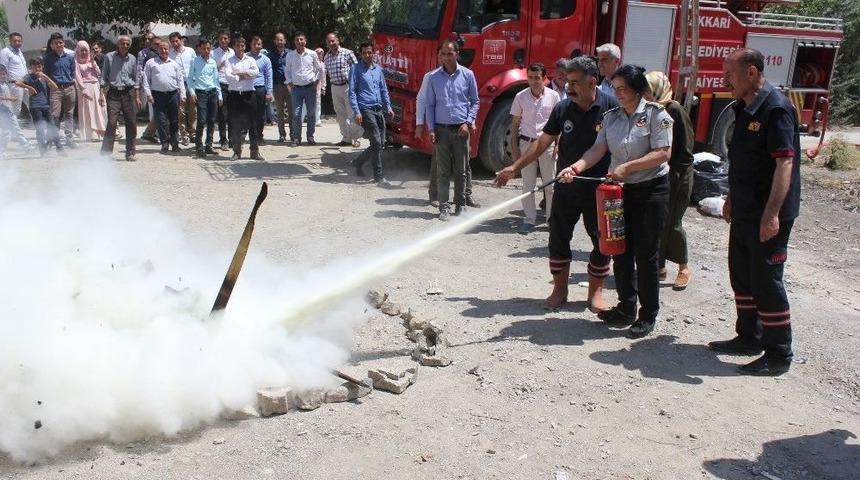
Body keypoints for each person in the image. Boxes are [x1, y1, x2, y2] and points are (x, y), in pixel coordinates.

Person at [557, 64, 673, 338]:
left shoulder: (658, 115)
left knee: (646, 254)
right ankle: (626, 307)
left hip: (651, 190)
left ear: (638, 90)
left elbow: (663, 153)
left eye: (623, 89)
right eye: (615, 89)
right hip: (622, 191)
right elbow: (598, 149)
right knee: (620, 249)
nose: (617, 94)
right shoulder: (611, 117)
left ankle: (647, 314)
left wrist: (628, 167)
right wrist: (575, 168)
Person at [496, 57, 617, 311]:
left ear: (592, 81)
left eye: (575, 82)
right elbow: (542, 142)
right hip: (566, 185)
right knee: (558, 238)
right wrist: (514, 166)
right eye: (567, 81)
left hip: (600, 189)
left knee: (601, 241)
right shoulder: (562, 109)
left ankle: (595, 294)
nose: (569, 87)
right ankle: (559, 290)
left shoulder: (612, 109)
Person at [707, 48, 801, 376]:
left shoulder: (776, 108)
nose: (724, 79)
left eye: (729, 73)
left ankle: (778, 353)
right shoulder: (744, 108)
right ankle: (749, 337)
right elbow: (744, 163)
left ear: (750, 73)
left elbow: (784, 163)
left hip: (767, 213)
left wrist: (772, 214)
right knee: (742, 274)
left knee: (766, 280)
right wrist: (732, 197)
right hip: (745, 208)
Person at [644, 71, 694, 291]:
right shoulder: (651, 110)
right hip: (659, 174)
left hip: (677, 176)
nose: (644, 93)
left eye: (647, 89)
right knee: (658, 222)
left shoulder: (673, 109)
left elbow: (685, 150)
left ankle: (683, 267)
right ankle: (660, 266)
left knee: (672, 223)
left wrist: (672, 173)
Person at [416, 50, 480, 209]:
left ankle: (465, 195)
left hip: (461, 127)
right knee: (439, 164)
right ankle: (435, 195)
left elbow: (471, 101)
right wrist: (421, 125)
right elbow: (423, 101)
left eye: (449, 54)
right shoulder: (431, 77)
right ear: (438, 57)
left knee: (464, 165)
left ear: (456, 55)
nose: (445, 58)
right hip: (441, 127)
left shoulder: (466, 75)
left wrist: (470, 121)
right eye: (442, 55)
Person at [509, 62, 561, 231]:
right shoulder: (520, 97)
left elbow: (558, 124)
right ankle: (529, 219)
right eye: (530, 77)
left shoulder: (554, 97)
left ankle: (551, 219)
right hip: (527, 144)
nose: (533, 81)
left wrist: (559, 145)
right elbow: (515, 124)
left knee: (550, 185)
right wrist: (515, 149)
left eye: (537, 78)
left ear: (544, 78)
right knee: (527, 184)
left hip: (548, 144)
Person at [349, 41, 394, 187]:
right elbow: (352, 92)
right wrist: (356, 111)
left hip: (378, 108)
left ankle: (358, 162)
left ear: (373, 53)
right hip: (365, 109)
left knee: (380, 143)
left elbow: (383, 90)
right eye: (364, 53)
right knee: (376, 141)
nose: (367, 55)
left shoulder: (378, 70)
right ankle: (379, 176)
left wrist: (388, 107)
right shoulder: (355, 69)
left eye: (370, 52)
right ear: (360, 54)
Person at [100, 34, 141, 161]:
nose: (125, 46)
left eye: (127, 44)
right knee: (112, 123)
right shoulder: (109, 57)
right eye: (122, 43)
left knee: (131, 122)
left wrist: (137, 97)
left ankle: (130, 152)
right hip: (113, 94)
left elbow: (136, 79)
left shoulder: (133, 59)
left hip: (128, 93)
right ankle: (106, 153)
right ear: (118, 44)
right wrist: (101, 94)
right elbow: (103, 77)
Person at [142, 39, 186, 154]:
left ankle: (175, 144)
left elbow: (180, 80)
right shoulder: (151, 63)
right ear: (157, 50)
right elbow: (146, 79)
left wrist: (183, 95)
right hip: (157, 95)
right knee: (161, 121)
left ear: (169, 49)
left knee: (174, 121)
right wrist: (148, 94)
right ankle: (165, 144)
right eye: (161, 48)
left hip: (173, 95)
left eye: (166, 48)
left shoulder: (174, 64)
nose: (163, 50)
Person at [223, 36, 260, 160]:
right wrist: (243, 75)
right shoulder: (229, 61)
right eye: (238, 46)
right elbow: (228, 76)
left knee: (253, 124)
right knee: (235, 125)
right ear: (234, 47)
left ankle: (254, 151)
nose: (240, 48)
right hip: (234, 96)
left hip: (249, 95)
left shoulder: (250, 59)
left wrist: (238, 73)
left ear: (245, 47)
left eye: (242, 46)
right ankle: (237, 152)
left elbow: (255, 73)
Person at [285, 32, 323, 146]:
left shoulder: (312, 54)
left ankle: (310, 137)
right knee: (296, 114)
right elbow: (287, 70)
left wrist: (316, 82)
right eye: (297, 40)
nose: (299, 42)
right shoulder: (290, 55)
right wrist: (290, 83)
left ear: (305, 41)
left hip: (310, 88)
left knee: (311, 114)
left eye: (301, 39)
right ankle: (296, 138)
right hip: (296, 89)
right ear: (294, 42)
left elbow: (319, 69)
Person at [324, 32, 361, 147]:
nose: (331, 43)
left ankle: (355, 138)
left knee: (352, 113)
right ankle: (346, 138)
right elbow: (326, 73)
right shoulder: (327, 57)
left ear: (338, 41)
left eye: (333, 41)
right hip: (335, 87)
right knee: (340, 114)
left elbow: (356, 70)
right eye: (329, 42)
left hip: (348, 86)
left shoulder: (347, 53)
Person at [18, 57, 62, 154]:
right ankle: (43, 150)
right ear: (31, 67)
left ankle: (59, 148)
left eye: (40, 66)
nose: (38, 69)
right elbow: (18, 82)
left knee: (52, 127)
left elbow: (55, 87)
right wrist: (29, 87)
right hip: (35, 107)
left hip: (46, 106)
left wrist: (45, 77)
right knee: (40, 129)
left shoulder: (44, 77)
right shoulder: (28, 77)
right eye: (36, 67)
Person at [187, 38, 222, 158]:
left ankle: (209, 145)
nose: (207, 51)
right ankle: (198, 145)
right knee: (201, 120)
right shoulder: (194, 61)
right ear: (199, 49)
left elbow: (216, 80)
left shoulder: (212, 62)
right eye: (204, 48)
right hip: (201, 93)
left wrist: (220, 95)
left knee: (211, 120)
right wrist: (192, 92)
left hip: (212, 93)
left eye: (208, 48)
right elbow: (189, 79)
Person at [43, 32, 77, 148]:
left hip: (69, 88)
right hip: (55, 89)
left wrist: (72, 82)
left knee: (69, 115)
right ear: (52, 44)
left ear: (63, 43)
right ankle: (53, 139)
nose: (59, 45)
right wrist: (50, 84)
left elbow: (73, 72)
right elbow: (45, 74)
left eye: (61, 42)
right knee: (54, 115)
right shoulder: (48, 58)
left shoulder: (70, 58)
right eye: (56, 43)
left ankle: (69, 139)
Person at [73, 40, 106, 142]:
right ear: (78, 51)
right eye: (81, 50)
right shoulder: (76, 62)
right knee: (87, 111)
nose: (84, 53)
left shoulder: (92, 61)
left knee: (99, 109)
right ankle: (91, 134)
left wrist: (92, 62)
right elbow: (77, 76)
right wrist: (83, 89)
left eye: (86, 50)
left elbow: (99, 73)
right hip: (85, 88)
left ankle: (101, 132)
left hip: (95, 86)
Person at [169, 31, 197, 146]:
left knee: (193, 109)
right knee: (180, 111)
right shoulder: (170, 53)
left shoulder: (190, 51)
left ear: (181, 40)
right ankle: (183, 134)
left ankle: (193, 133)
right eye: (172, 42)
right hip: (178, 84)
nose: (175, 43)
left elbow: (196, 65)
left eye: (176, 41)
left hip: (191, 83)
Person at [0, 32, 29, 137]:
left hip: (25, 84)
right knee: (15, 110)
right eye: (15, 41)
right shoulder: (5, 52)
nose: (18, 43)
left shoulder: (19, 52)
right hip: (15, 84)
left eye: (19, 41)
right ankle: (11, 134)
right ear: (10, 41)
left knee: (31, 106)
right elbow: (3, 69)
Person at [0, 65, 33, 156]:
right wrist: (9, 98)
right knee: (14, 130)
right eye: (1, 74)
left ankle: (2, 151)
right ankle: (26, 147)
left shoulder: (5, 83)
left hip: (8, 110)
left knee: (7, 132)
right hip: (3, 111)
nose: (4, 75)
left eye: (4, 73)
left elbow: (13, 82)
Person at [268, 32, 293, 143]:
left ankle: (293, 134)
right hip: (277, 85)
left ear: (285, 41)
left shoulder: (291, 53)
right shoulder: (271, 55)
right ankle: (282, 135)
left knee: (292, 112)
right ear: (275, 41)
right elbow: (270, 72)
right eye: (277, 40)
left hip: (290, 86)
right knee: (280, 112)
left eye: (281, 40)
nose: (279, 42)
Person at [212, 31, 234, 150]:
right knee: (223, 115)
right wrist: (219, 65)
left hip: (232, 85)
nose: (223, 41)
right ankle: (223, 140)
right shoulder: (213, 53)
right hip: (221, 85)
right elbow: (211, 70)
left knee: (232, 115)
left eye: (225, 38)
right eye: (221, 39)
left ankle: (232, 139)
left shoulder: (233, 52)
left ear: (229, 40)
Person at [137, 32, 161, 143]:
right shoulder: (145, 54)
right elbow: (140, 70)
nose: (148, 41)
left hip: (162, 86)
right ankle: (153, 133)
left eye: (150, 39)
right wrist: (140, 85)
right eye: (147, 39)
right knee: (153, 111)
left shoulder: (162, 52)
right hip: (150, 86)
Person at [249, 36, 273, 144]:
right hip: (248, 89)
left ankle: (259, 136)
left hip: (260, 88)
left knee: (260, 114)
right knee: (248, 113)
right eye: (254, 44)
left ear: (261, 45)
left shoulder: (265, 59)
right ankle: (246, 135)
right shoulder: (246, 57)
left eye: (258, 44)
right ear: (251, 45)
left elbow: (269, 76)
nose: (256, 46)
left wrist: (269, 91)